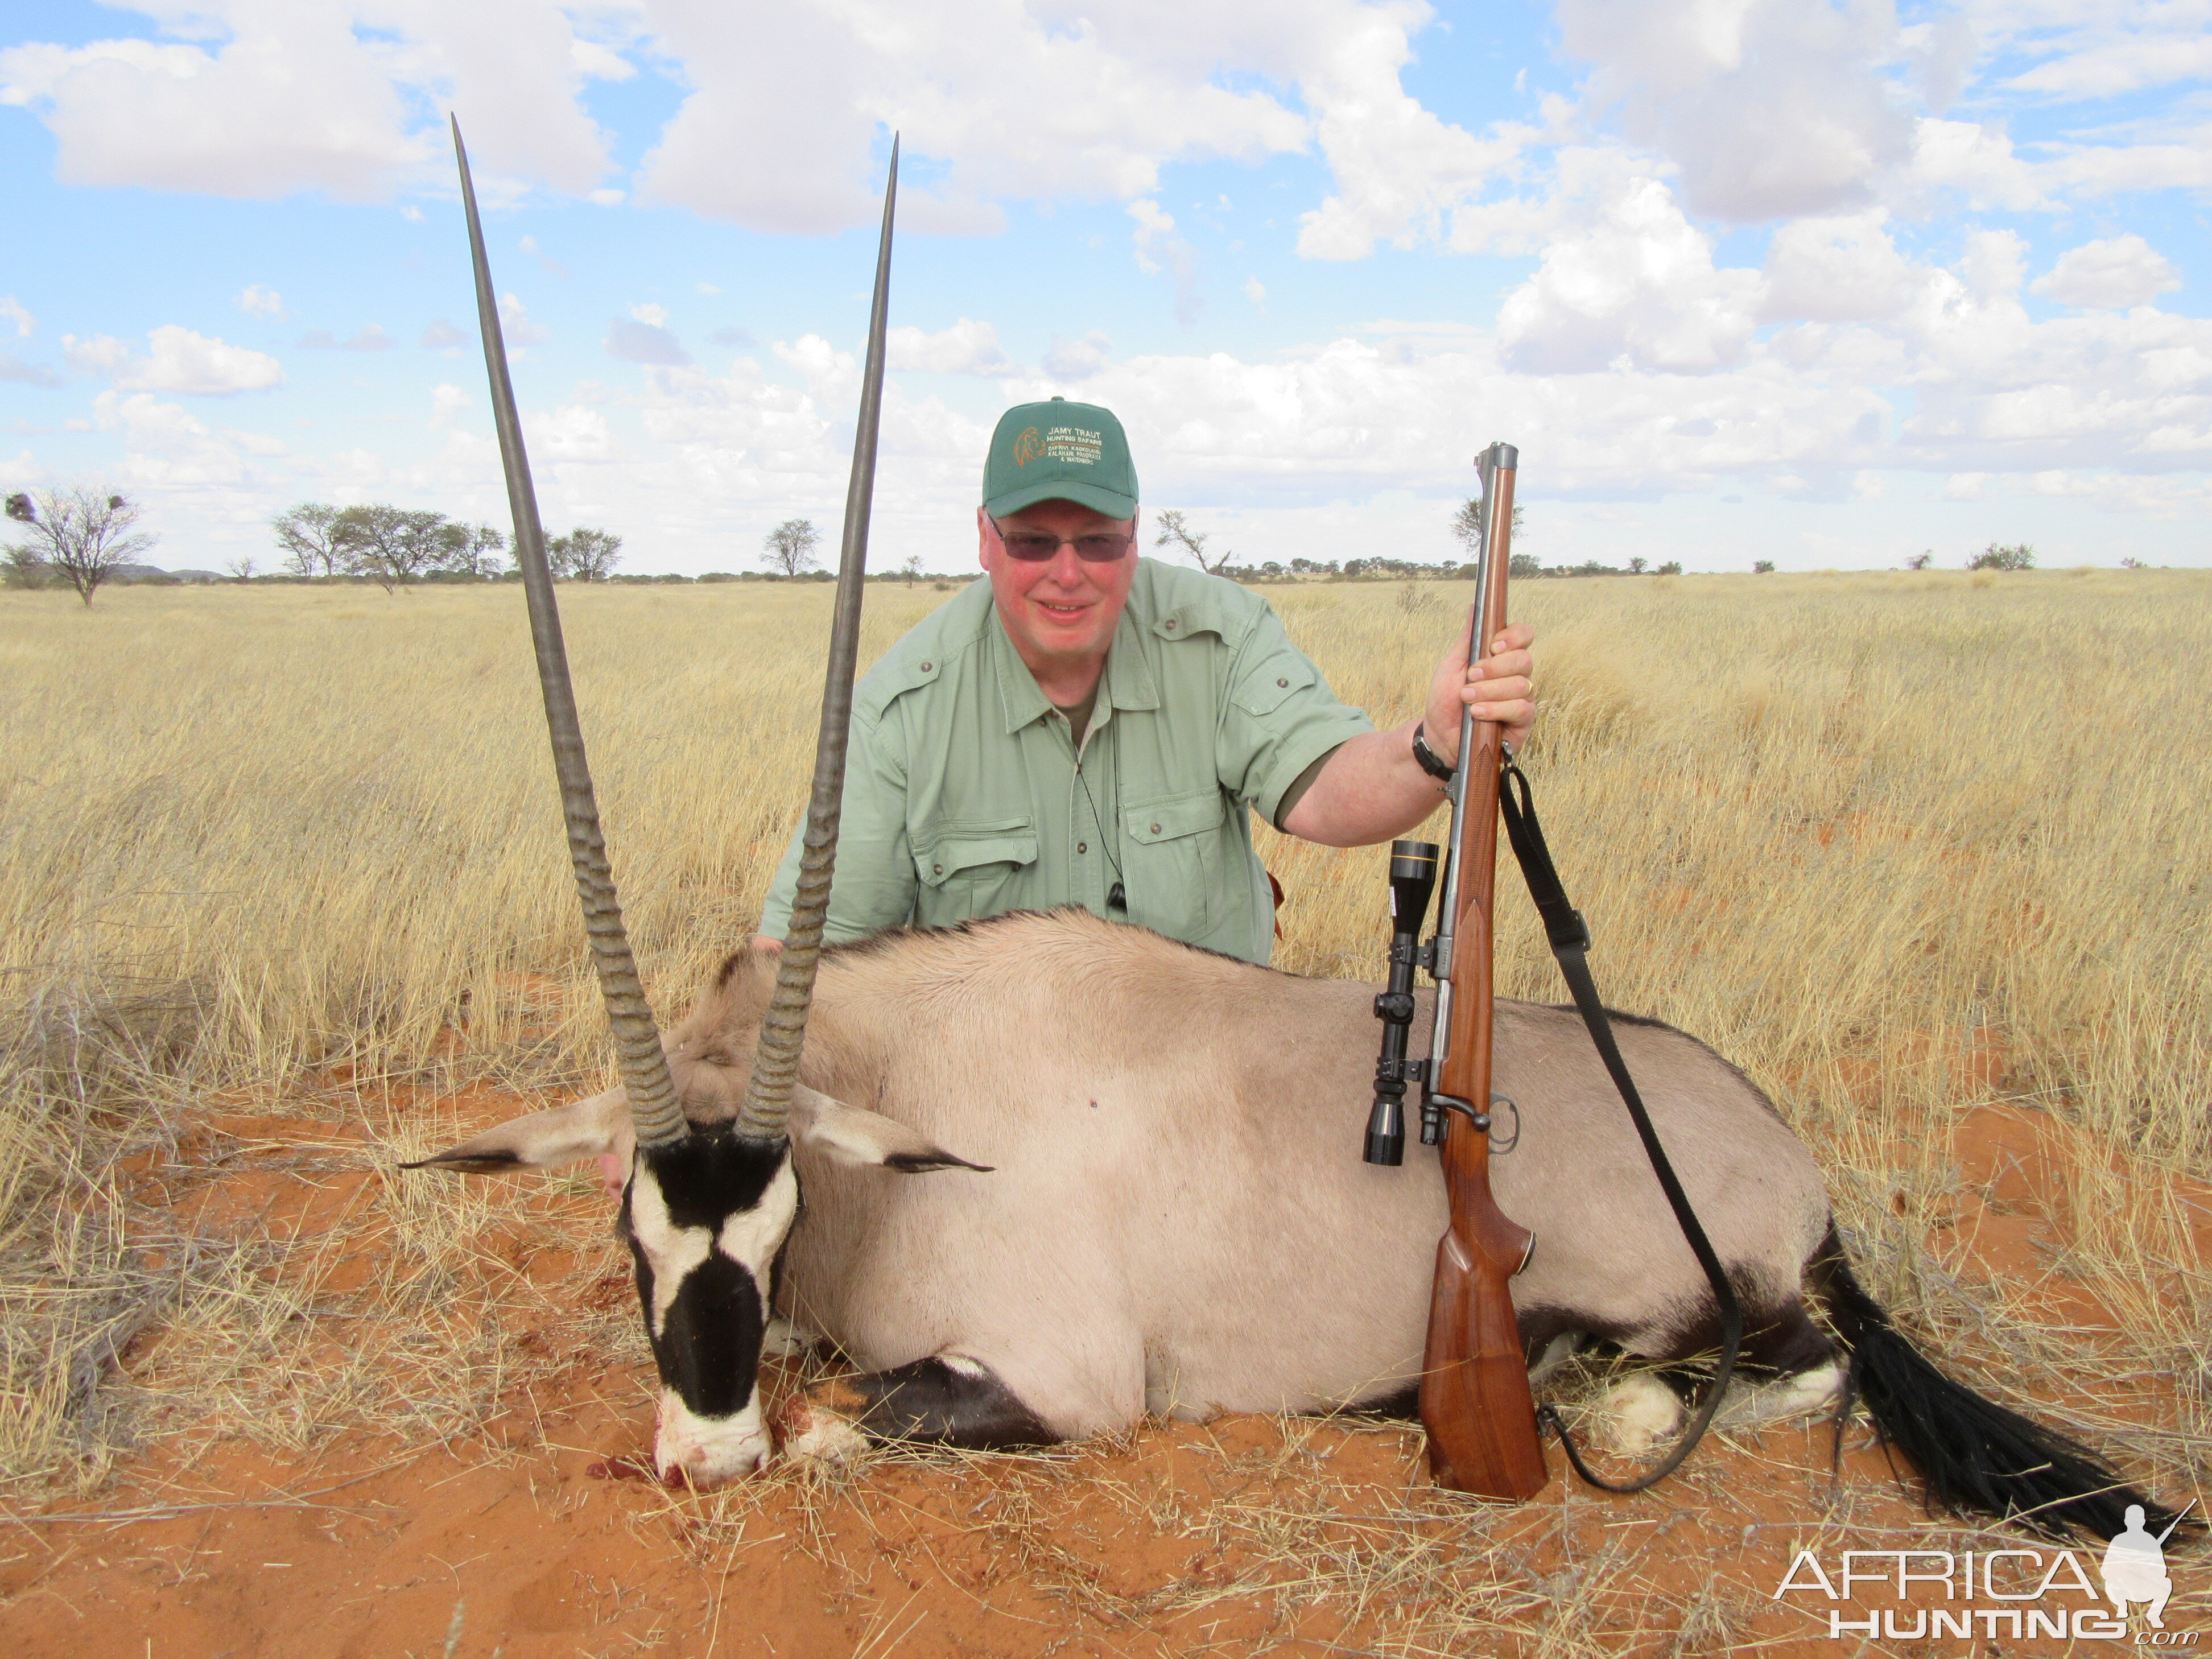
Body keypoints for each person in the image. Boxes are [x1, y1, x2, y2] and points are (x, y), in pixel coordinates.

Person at [756, 395, 1534, 962]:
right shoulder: (902, 709)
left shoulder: (1222, 633)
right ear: (985, 540)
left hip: (1206, 1086)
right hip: (996, 1117)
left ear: (1135, 536)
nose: (1068, 575)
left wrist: (1434, 743)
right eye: (1034, 542)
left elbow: (1326, 789)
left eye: (1096, 541)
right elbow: (796, 959)